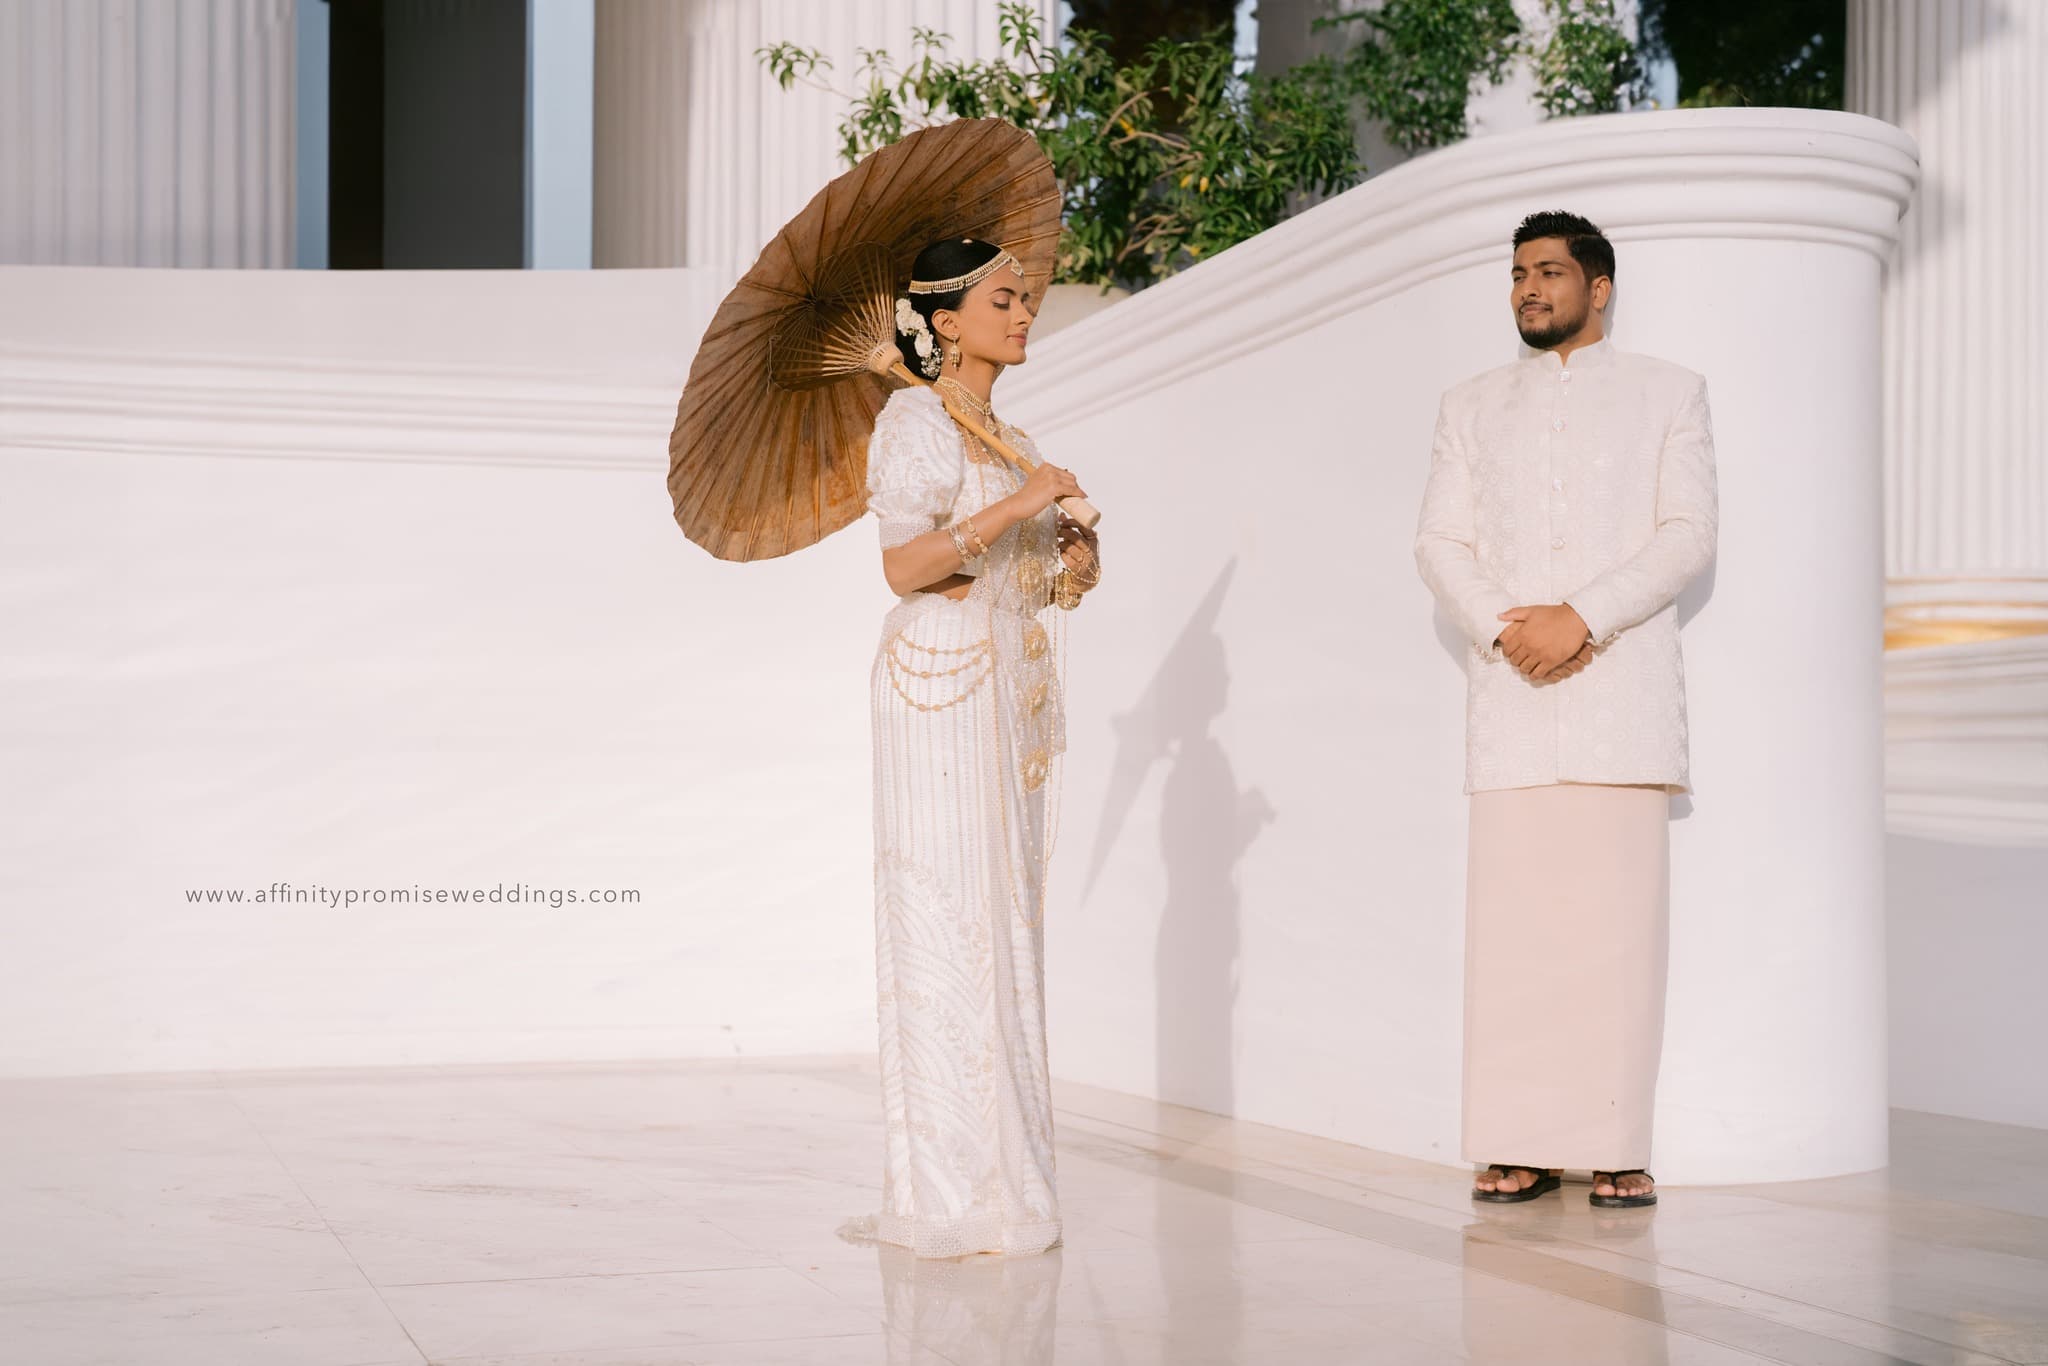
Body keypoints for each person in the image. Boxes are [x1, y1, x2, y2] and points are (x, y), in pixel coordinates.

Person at [1413, 210, 1718, 1210]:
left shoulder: (1668, 393)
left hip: (1618, 702)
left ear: (1599, 287)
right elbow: (1437, 545)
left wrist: (1580, 618)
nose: (1526, 290)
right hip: (1508, 700)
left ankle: (1615, 1144)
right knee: (1515, 939)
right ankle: (1515, 1139)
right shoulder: (1467, 405)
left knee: (1616, 936)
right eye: (1514, 275)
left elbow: (1685, 536)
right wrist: (1507, 632)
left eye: (1546, 272)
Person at [840, 237, 1103, 1258]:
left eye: (1025, 299)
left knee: (1005, 925)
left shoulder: (1006, 431)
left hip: (1003, 685)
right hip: (936, 680)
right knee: (950, 918)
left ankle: (1009, 1186)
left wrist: (1072, 550)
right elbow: (903, 563)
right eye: (1003, 298)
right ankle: (948, 1192)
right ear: (944, 319)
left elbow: (1024, 579)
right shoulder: (912, 417)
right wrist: (1024, 502)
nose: (1024, 312)